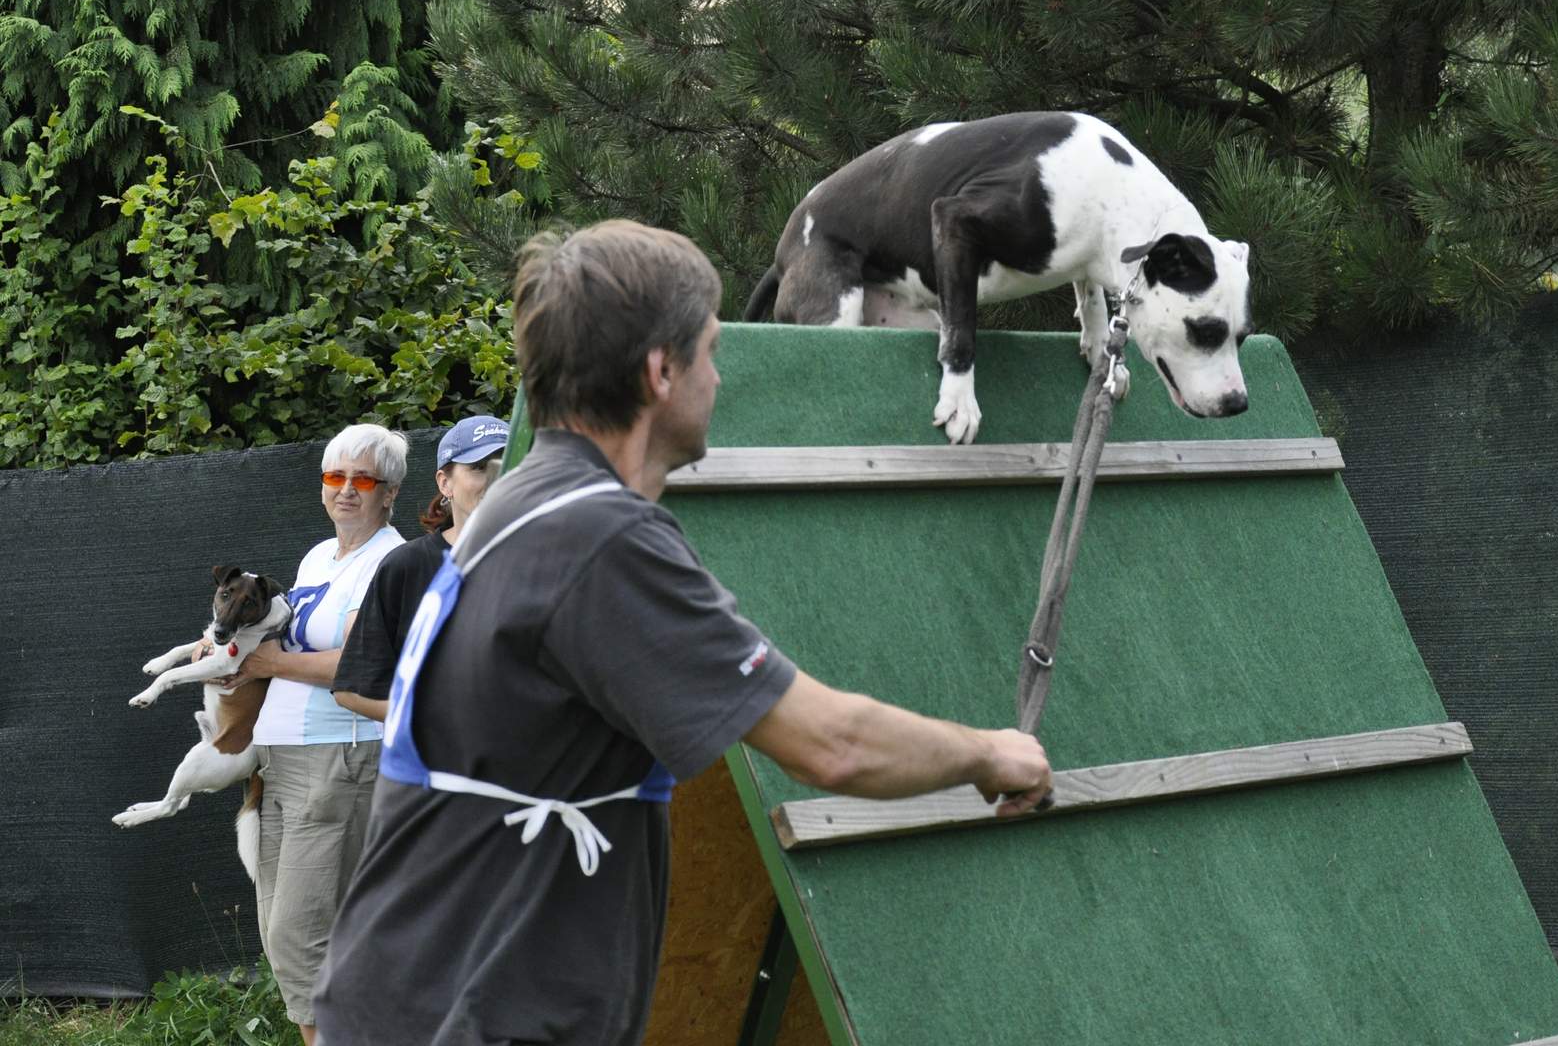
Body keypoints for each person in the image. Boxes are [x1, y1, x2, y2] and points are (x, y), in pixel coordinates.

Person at [312, 220, 1051, 1045]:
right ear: (661, 372)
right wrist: (991, 754)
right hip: (466, 1016)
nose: (721, 375)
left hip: (416, 994)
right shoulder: (600, 539)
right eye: (709, 349)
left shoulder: (527, 500)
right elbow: (833, 745)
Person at [237, 422, 404, 1044]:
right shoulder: (317, 557)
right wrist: (228, 646)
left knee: (302, 934)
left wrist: (267, 663)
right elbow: (277, 636)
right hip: (282, 759)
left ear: (390, 493)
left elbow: (358, 662)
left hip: (340, 758)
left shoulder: (389, 560)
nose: (348, 491)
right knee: (279, 929)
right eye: (337, 477)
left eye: (364, 480)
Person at [331, 415, 510, 723]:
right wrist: (437, 724)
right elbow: (353, 688)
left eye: (506, 466)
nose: (495, 479)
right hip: (438, 767)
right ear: (445, 482)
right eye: (479, 468)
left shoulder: (549, 562)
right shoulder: (406, 567)